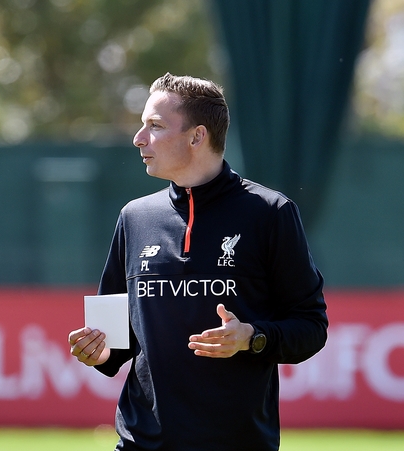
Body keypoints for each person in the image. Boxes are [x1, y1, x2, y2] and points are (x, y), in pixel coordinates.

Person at [68, 73, 327, 451]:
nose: (139, 138)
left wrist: (252, 338)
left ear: (196, 136)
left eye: (154, 126)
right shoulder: (134, 217)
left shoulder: (271, 212)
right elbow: (115, 341)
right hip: (140, 442)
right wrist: (96, 350)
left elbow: (311, 326)